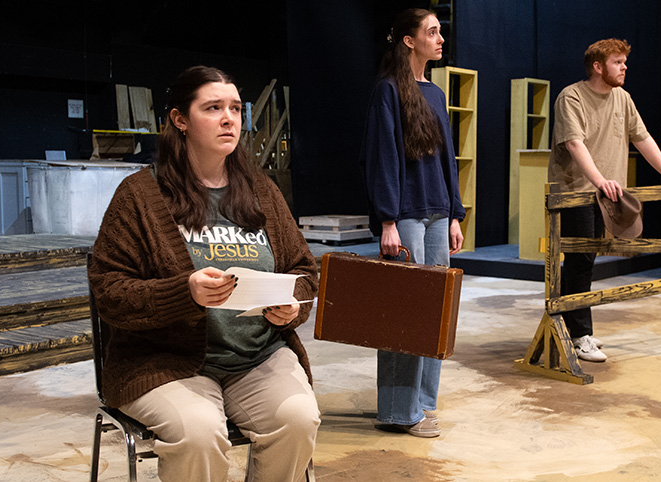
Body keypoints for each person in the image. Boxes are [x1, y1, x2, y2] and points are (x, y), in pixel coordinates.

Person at [88, 65, 319, 482]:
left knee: (299, 419)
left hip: (257, 357)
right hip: (165, 361)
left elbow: (303, 270)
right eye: (213, 108)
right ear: (180, 119)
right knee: (198, 433)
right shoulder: (140, 195)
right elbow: (109, 291)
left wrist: (292, 306)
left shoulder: (261, 190)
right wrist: (184, 292)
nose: (229, 118)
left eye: (234, 108)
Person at [358, 8, 466, 438]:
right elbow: (380, 158)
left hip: (438, 213)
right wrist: (387, 220)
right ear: (408, 40)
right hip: (404, 215)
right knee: (405, 313)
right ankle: (400, 411)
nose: (441, 39)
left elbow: (447, 160)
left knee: (434, 314)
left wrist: (455, 213)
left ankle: (422, 404)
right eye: (433, 32)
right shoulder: (387, 91)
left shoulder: (435, 94)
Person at [550, 38, 661, 363]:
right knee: (579, 260)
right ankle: (578, 333)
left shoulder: (623, 98)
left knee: (587, 261)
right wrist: (599, 181)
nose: (625, 67)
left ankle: (574, 325)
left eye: (625, 61)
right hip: (576, 194)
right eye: (618, 62)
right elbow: (574, 144)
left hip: (606, 196)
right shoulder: (571, 96)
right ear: (598, 66)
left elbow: (642, 138)